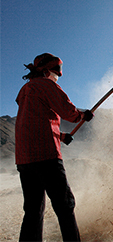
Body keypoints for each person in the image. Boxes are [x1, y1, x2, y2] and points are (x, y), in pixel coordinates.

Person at [15, 53, 94, 241]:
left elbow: (34, 123)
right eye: (57, 70)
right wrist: (82, 116)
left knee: (33, 211)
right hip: (46, 158)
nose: (59, 75)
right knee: (65, 206)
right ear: (45, 70)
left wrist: (61, 136)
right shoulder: (45, 85)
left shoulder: (25, 90)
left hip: (25, 160)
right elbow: (68, 111)